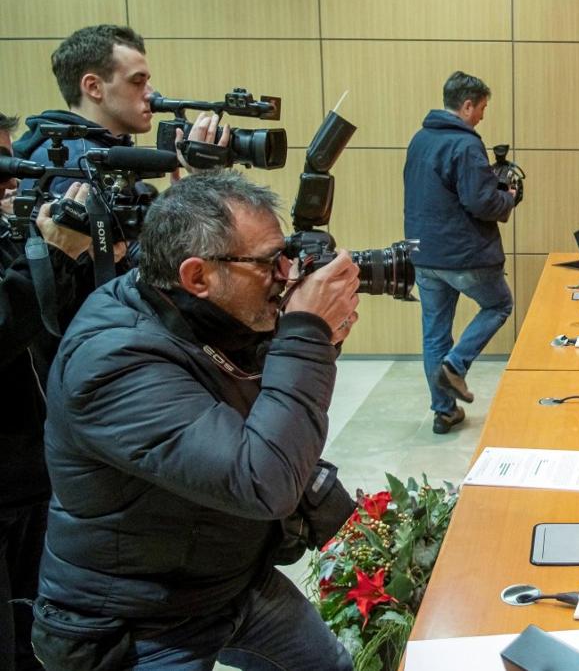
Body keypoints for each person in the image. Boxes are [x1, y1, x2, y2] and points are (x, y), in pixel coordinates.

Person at [33, 170, 360, 669]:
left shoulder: (204, 312)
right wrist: (306, 334)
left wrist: (317, 337)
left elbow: (270, 410)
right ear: (197, 276)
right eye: (271, 261)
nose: (288, 274)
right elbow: (262, 478)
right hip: (140, 619)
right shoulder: (111, 363)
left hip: (228, 577)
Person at [0, 112, 93, 671]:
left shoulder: (6, 227)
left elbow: (50, 321)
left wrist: (79, 259)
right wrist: (50, 253)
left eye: (11, 157)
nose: (11, 176)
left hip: (35, 476)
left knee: (38, 636)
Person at [403, 71, 516, 434]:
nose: (482, 115)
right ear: (467, 105)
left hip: (424, 255)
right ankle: (456, 365)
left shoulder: (420, 140)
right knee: (499, 305)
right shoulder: (466, 145)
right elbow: (480, 202)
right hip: (464, 255)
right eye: (481, 108)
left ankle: (444, 411)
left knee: (435, 333)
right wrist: (508, 197)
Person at [12, 23, 226, 190]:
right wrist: (203, 184)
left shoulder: (98, 151)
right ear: (94, 87)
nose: (151, 93)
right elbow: (127, 246)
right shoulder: (75, 164)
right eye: (137, 81)